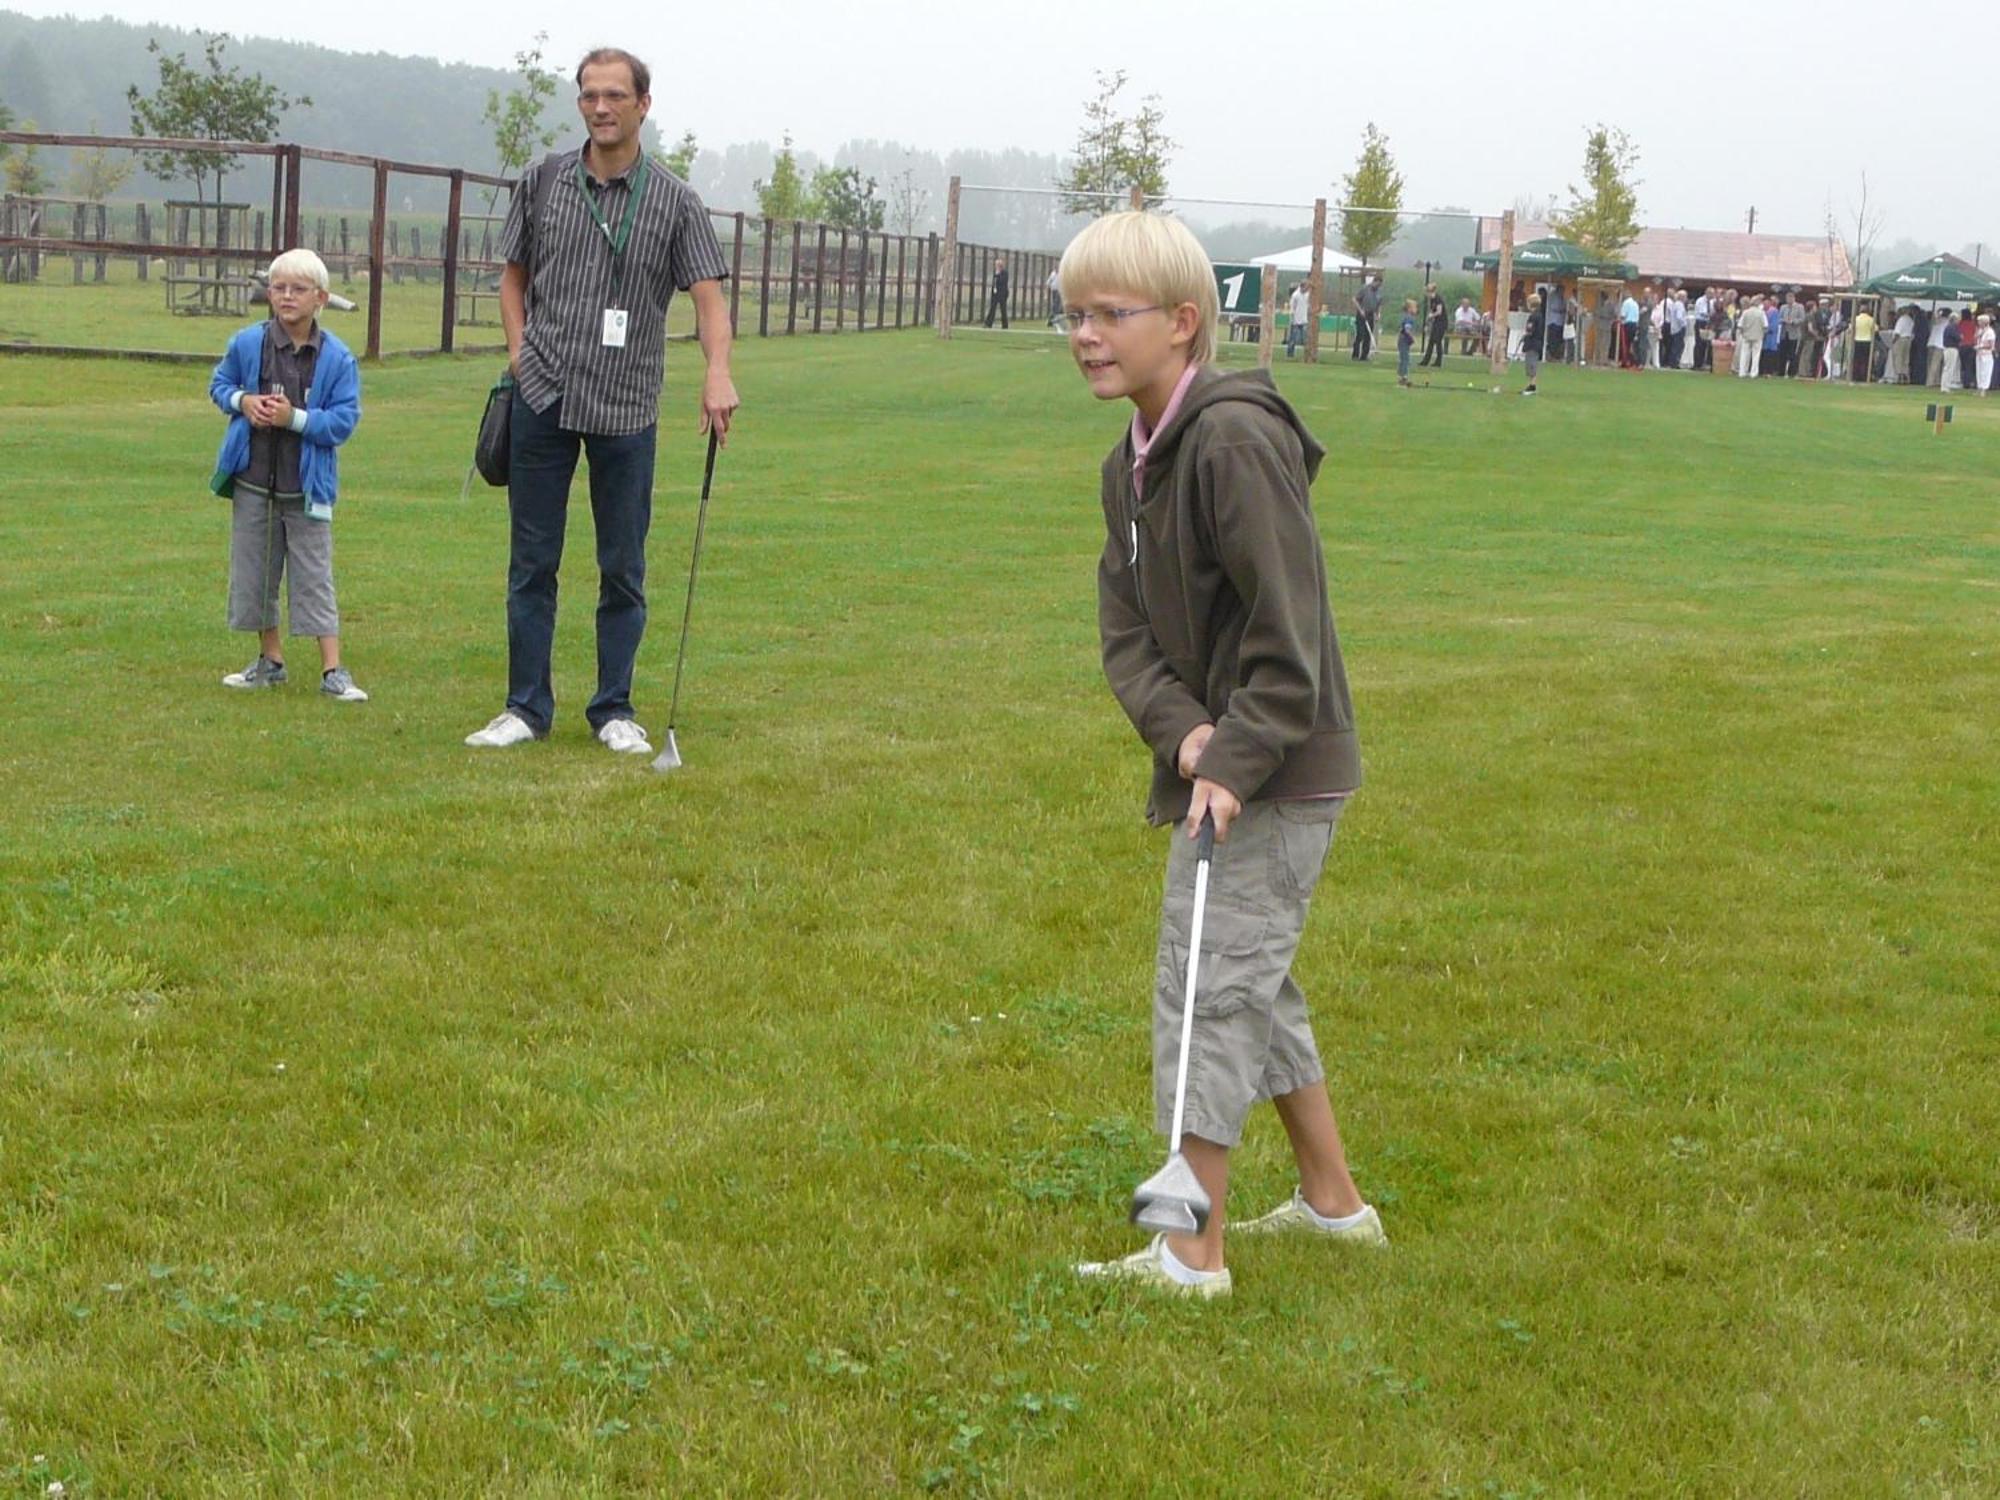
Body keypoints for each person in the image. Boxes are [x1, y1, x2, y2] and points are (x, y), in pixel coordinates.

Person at [1059, 210, 1382, 1298]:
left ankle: (1190, 1252)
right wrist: (1180, 731)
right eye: (1074, 315)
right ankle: (1333, 1204)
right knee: (1253, 980)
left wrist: (1230, 762)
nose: (1087, 335)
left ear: (1183, 324)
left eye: (1112, 314)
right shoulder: (1131, 462)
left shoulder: (1236, 442)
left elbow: (1288, 648)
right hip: (1229, 757)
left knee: (1204, 988)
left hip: (1278, 772)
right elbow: (1125, 634)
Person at [467, 46, 738, 754]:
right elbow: (512, 278)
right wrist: (521, 353)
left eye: (615, 95)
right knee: (532, 562)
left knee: (623, 563)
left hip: (627, 405)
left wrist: (718, 372)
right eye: (590, 95)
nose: (601, 107)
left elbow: (710, 299)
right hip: (544, 396)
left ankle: (614, 708)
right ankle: (525, 708)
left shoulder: (676, 201)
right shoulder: (543, 181)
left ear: (643, 104)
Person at [207, 247, 367, 703]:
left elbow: (342, 422)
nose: (287, 297)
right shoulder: (246, 344)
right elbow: (219, 385)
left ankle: (333, 670)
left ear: (321, 298)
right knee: (255, 571)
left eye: (298, 289)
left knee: (313, 574)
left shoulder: (337, 359)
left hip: (307, 488)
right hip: (253, 479)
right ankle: (270, 660)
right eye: (279, 288)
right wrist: (244, 402)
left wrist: (293, 419)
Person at [1350, 275, 1381, 360]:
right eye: (1377, 284)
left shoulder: (1378, 292)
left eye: (1379, 285)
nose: (1378, 287)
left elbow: (1378, 305)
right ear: (1374, 282)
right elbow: (1354, 299)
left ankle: (1364, 356)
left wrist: (1377, 314)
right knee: (1360, 334)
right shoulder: (1365, 289)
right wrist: (1360, 310)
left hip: (1371, 315)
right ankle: (1355, 355)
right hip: (1362, 314)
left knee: (1368, 335)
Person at [1735, 295, 1766, 377]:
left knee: (1744, 354)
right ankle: (1753, 373)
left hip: (1746, 336)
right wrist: (1762, 334)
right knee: (1756, 355)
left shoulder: (1746, 312)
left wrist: (1743, 333)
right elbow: (1765, 326)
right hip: (1758, 336)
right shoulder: (1761, 313)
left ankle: (1742, 372)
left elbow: (1740, 325)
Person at [1521, 292, 1544, 396]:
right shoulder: (1539, 315)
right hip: (1537, 343)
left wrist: (1526, 335)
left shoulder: (1533, 316)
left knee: (1531, 365)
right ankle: (1530, 384)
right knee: (1530, 364)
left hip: (1533, 343)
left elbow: (1530, 330)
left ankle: (1532, 386)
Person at [1420, 283, 1448, 368]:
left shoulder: (1438, 299)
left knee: (1437, 341)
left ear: (1430, 292)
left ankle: (1438, 361)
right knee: (1431, 341)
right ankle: (1425, 361)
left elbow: (1439, 312)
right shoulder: (1432, 300)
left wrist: (1432, 315)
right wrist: (1428, 323)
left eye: (1427, 292)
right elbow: (1432, 311)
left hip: (1442, 322)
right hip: (1436, 322)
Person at [1850, 302, 1876, 383]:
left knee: (1857, 360)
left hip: (1857, 340)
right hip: (1867, 341)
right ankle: (1865, 376)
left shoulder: (1855, 319)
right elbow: (1876, 329)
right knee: (1866, 360)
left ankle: (1855, 375)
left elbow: (1851, 328)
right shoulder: (1871, 319)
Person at [1285, 279, 1311, 359]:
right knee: (1293, 339)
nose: (1307, 289)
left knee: (1306, 339)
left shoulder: (1307, 294)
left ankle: (1307, 355)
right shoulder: (1295, 295)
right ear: (1302, 287)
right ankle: (1290, 355)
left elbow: (1308, 305)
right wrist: (1292, 319)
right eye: (1306, 287)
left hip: (1304, 320)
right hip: (1296, 320)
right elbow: (1292, 308)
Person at [1940, 307, 1964, 393]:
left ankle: (1945, 386)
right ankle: (1945, 387)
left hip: (1948, 349)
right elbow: (1958, 337)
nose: (1959, 321)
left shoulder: (1948, 327)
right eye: (1958, 319)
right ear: (1954, 319)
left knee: (1947, 368)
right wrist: (1960, 336)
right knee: (1949, 368)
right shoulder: (1952, 327)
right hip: (1951, 349)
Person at [983, 255, 1011, 328]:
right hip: (995, 294)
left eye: (997, 265)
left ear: (1000, 266)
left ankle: (1005, 325)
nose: (996, 267)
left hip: (1002, 294)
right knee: (992, 308)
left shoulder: (1005, 273)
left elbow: (1002, 282)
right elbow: (994, 283)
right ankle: (988, 323)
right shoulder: (995, 273)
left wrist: (998, 275)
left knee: (1003, 310)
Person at [1396, 297, 1418, 385]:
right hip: (1404, 339)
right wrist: (1411, 338)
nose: (1416, 309)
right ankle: (1403, 377)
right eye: (1415, 307)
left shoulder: (1407, 317)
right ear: (1409, 309)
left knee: (1404, 358)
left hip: (1402, 339)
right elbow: (1407, 329)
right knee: (1405, 359)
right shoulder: (1409, 318)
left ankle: (1402, 376)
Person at [1619, 289, 1640, 368]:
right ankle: (1634, 361)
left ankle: (1627, 361)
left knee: (1625, 344)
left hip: (1627, 324)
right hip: (1634, 324)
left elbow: (1623, 315)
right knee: (1632, 344)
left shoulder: (1626, 303)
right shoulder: (1635, 303)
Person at [1977, 314, 1996, 396]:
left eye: (1980, 321)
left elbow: (1991, 346)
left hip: (1986, 354)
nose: (1978, 323)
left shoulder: (1990, 332)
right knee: (1979, 371)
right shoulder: (1980, 331)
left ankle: (1984, 389)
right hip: (1979, 354)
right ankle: (1979, 388)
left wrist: (1981, 346)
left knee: (1986, 371)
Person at [1046, 266, 1063, 330]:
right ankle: (1051, 321)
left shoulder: (1062, 274)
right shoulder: (1053, 274)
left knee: (1057, 307)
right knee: (1055, 306)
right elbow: (1048, 283)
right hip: (1054, 291)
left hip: (1060, 291)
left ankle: (1052, 321)